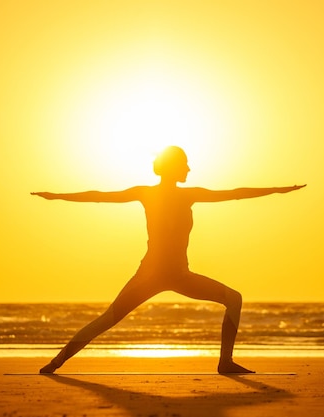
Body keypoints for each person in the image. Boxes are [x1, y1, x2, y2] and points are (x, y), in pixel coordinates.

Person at [31, 146, 305, 374]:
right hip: (153, 275)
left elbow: (236, 192)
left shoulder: (182, 195)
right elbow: (99, 197)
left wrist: (278, 189)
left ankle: (225, 362)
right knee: (108, 319)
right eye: (185, 164)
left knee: (233, 299)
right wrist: (56, 196)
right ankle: (57, 362)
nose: (188, 169)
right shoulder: (163, 194)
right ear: (174, 167)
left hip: (176, 274)